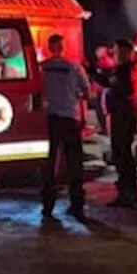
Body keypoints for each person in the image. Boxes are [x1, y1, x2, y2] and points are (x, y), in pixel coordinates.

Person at [40, 34, 90, 222]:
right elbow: (87, 93)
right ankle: (76, 205)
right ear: (63, 47)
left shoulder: (42, 67)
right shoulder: (74, 66)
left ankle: (47, 206)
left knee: (49, 163)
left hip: (49, 119)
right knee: (74, 164)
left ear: (49, 47)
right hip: (70, 119)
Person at [107, 39, 137, 207]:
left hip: (123, 116)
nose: (115, 55)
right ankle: (129, 192)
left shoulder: (125, 70)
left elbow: (116, 87)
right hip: (124, 115)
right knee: (123, 153)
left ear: (125, 53)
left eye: (117, 52)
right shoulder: (128, 69)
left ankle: (127, 193)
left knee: (122, 154)